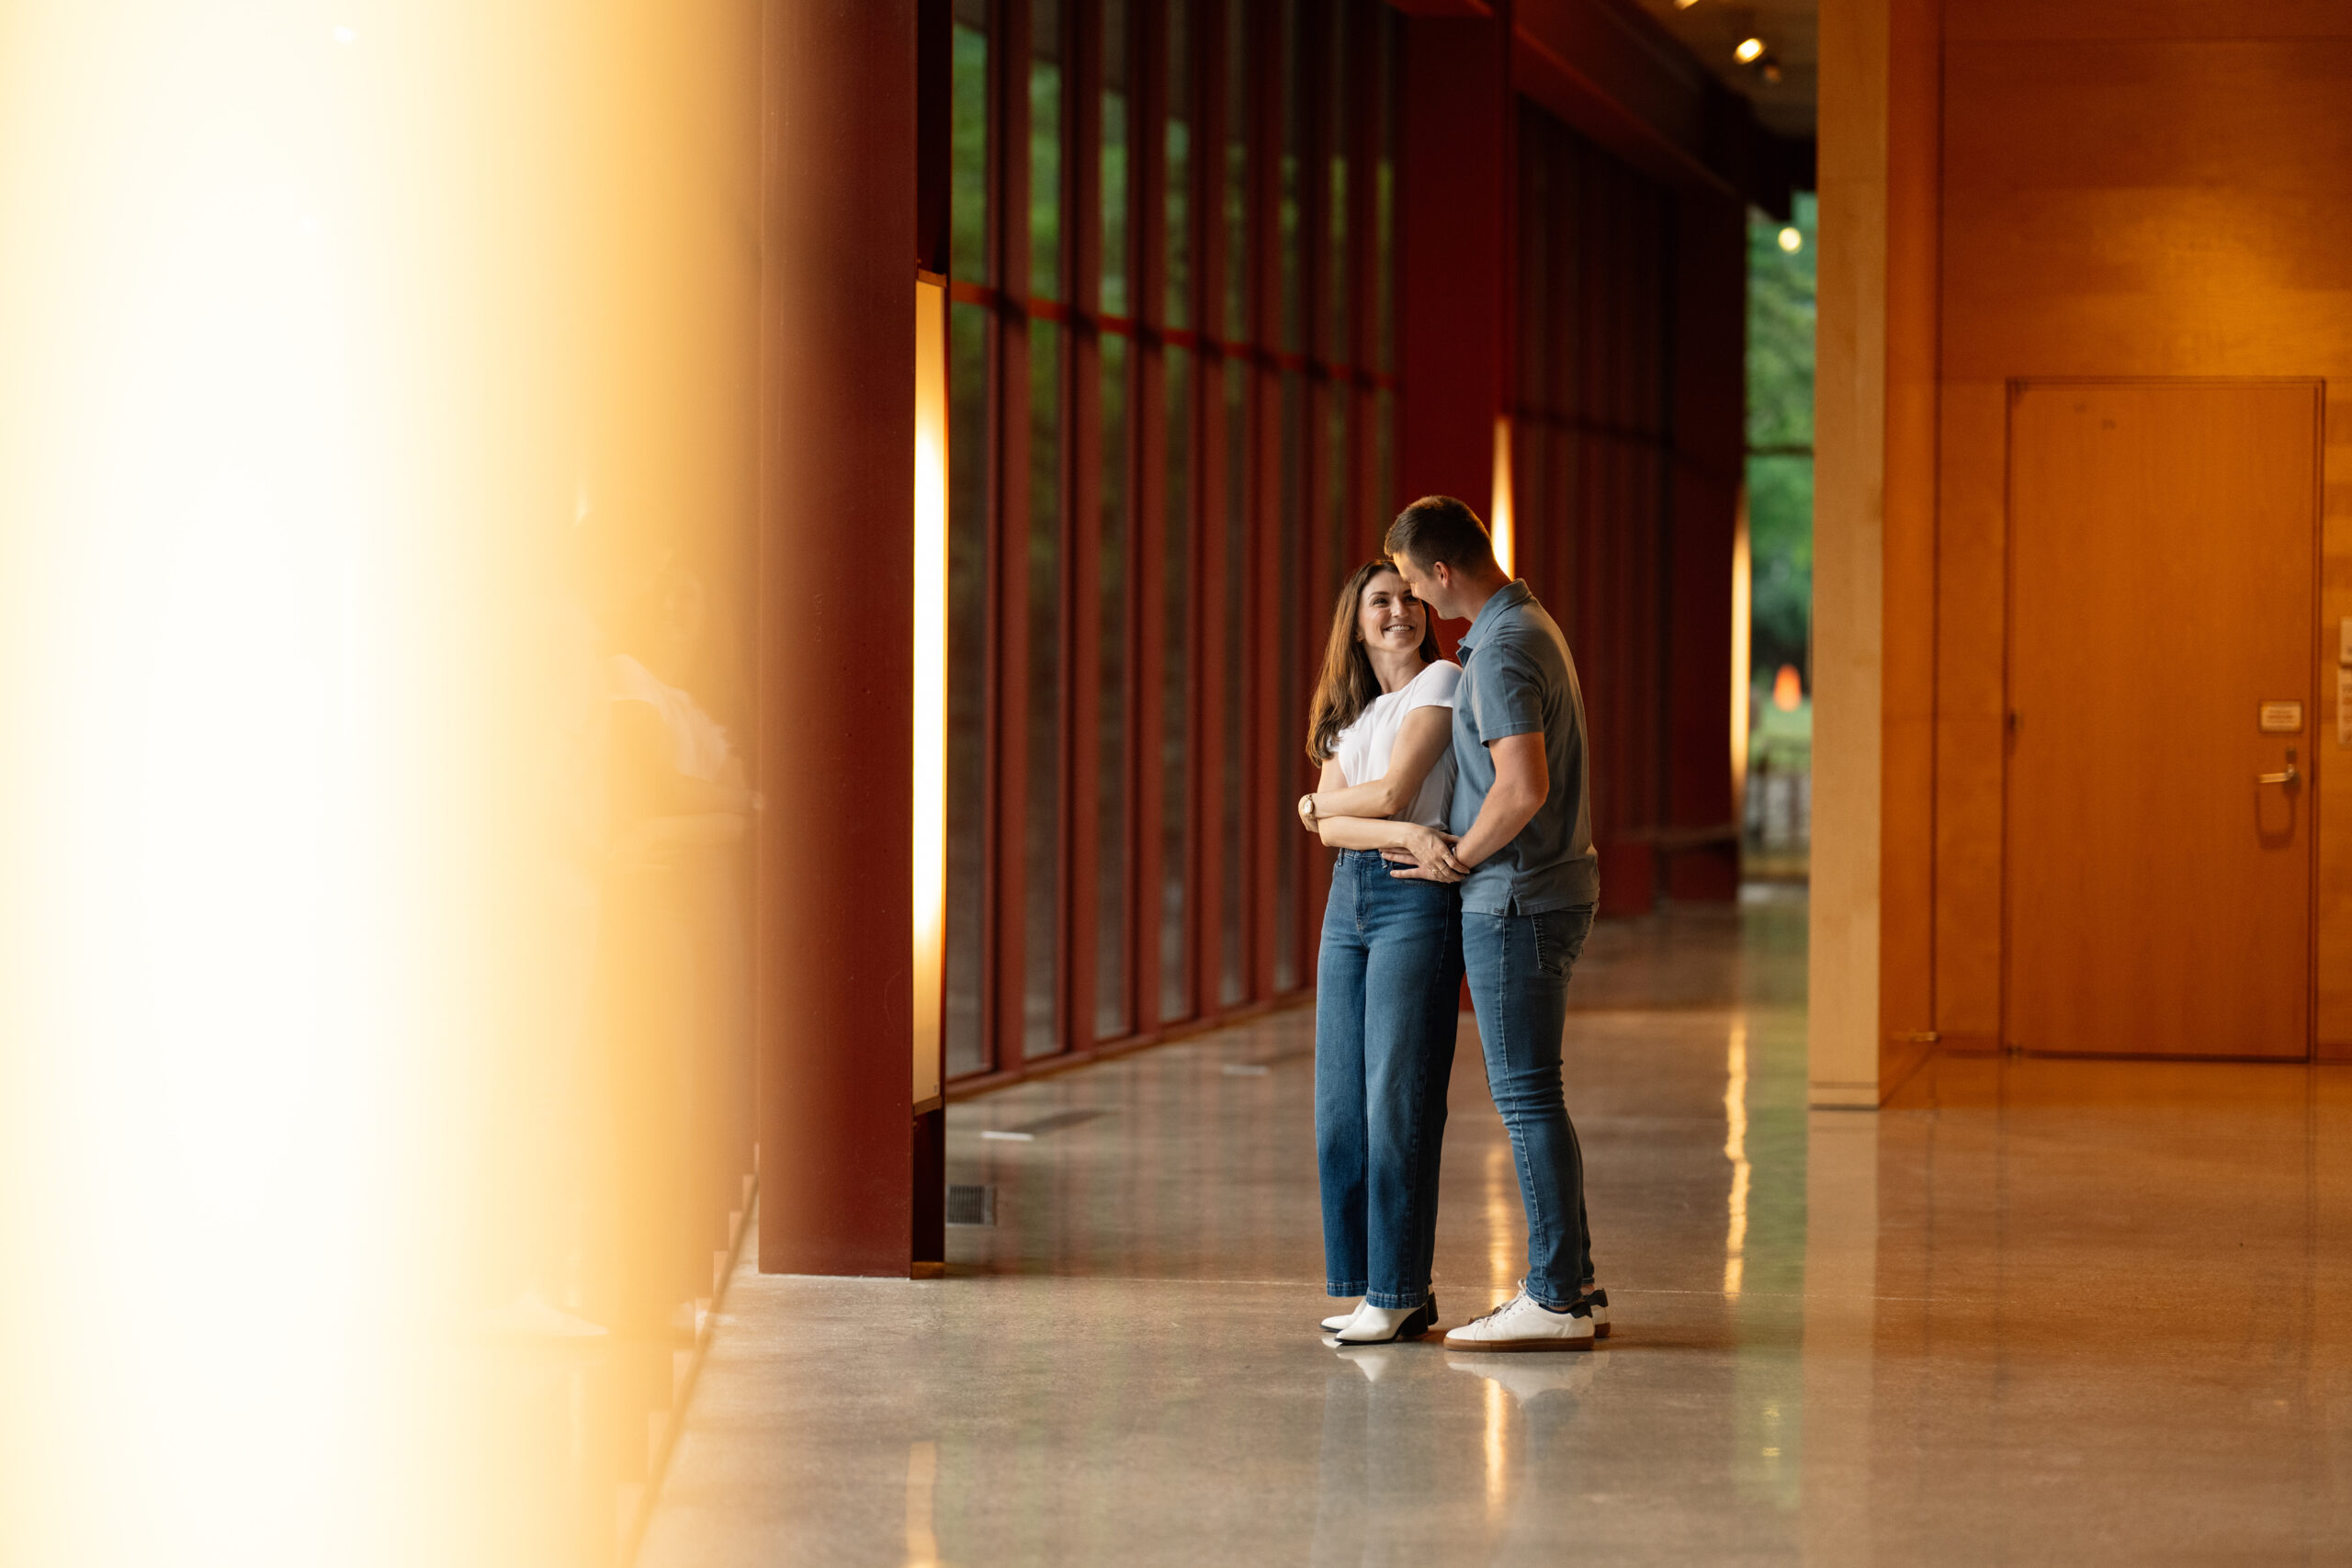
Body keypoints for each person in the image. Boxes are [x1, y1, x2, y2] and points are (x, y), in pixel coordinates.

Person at [1385, 496, 1611, 1352]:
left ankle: (1552, 1294)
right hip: (1542, 890)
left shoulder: (1504, 647)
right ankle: (1575, 1282)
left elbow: (1522, 787)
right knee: (1536, 1093)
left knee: (1525, 1098)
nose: (1409, 599)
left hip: (1517, 898)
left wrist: (1458, 856)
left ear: (1443, 571)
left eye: (1412, 580)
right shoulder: (1525, 625)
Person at [1296, 560, 1466, 1346]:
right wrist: (1394, 829)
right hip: (1351, 897)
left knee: (1396, 1100)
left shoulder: (1440, 683)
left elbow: (1391, 791)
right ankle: (1378, 1287)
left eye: (1406, 599)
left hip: (1412, 900)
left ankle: (1395, 1290)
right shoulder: (1349, 716)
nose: (1399, 610)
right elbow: (1334, 828)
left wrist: (1335, 807)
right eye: (1380, 602)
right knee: (1339, 1108)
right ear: (1356, 622)